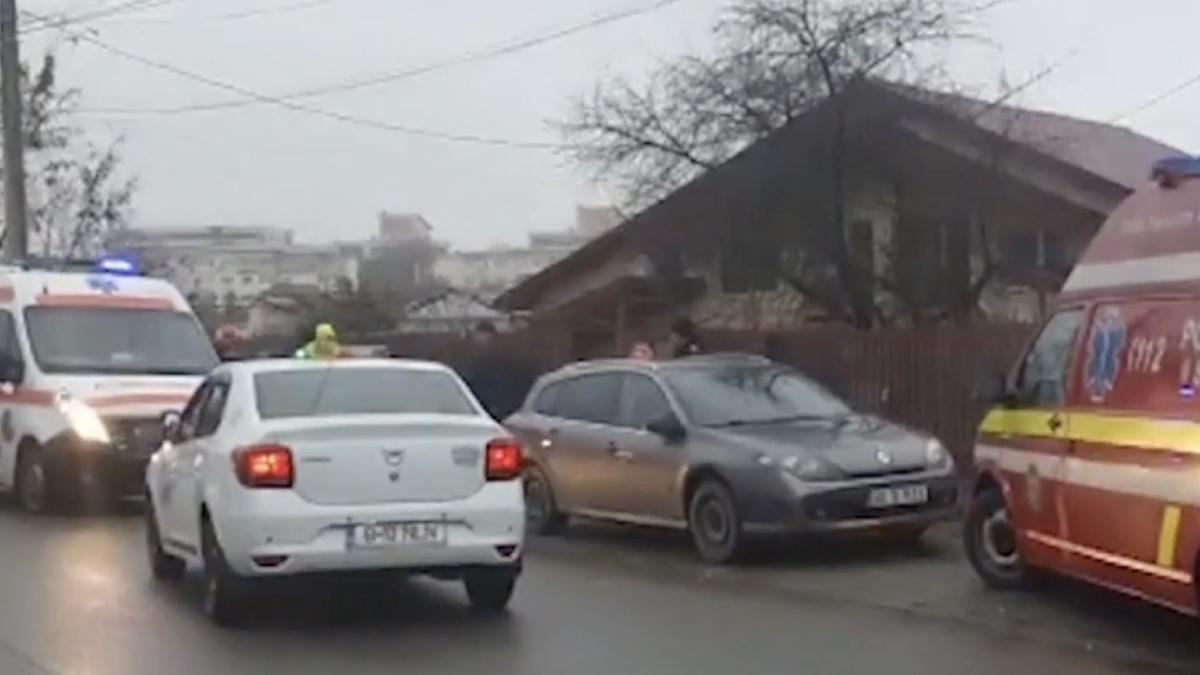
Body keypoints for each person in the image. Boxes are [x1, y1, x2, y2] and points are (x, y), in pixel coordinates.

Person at [461, 321, 537, 421]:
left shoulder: (504, 362)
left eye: (486, 341)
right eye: (480, 341)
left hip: (499, 409)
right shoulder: (472, 363)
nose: (484, 345)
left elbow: (508, 386)